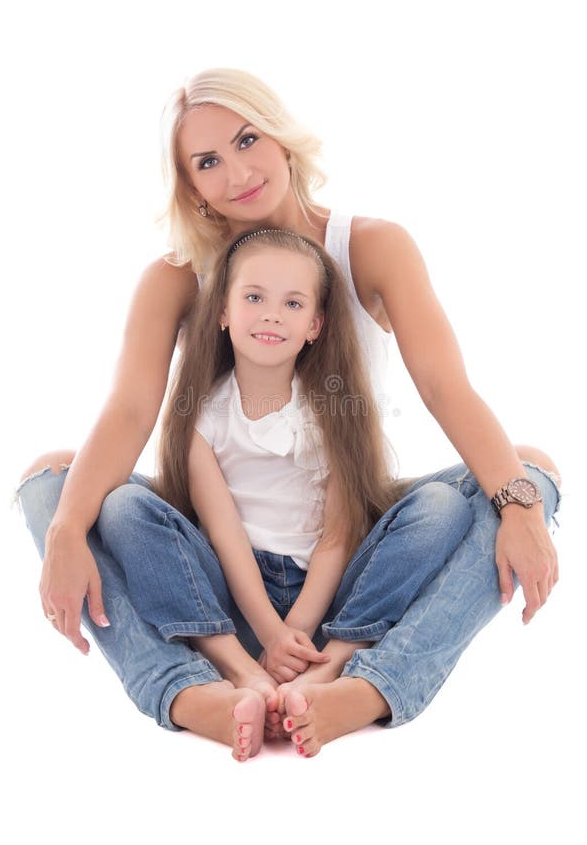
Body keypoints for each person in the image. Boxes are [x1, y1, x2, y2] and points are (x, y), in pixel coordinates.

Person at [17, 67, 562, 757]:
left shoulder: (371, 246)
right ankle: (192, 692)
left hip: (347, 563)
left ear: (282, 137)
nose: (238, 171)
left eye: (248, 139)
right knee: (49, 483)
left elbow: (444, 388)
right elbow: (129, 411)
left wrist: (517, 507)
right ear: (190, 186)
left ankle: (367, 684)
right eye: (207, 162)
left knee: (532, 472)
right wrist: (66, 529)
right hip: (213, 574)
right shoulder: (176, 278)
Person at [96, 226, 474, 760]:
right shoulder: (202, 420)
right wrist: (267, 636)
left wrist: (295, 629)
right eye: (254, 297)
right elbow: (224, 537)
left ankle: (331, 665)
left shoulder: (336, 412)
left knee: (443, 506)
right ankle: (238, 669)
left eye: (292, 303)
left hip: (325, 596)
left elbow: (338, 536)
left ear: (315, 325)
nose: (272, 314)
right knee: (122, 508)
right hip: (230, 592)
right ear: (223, 311)